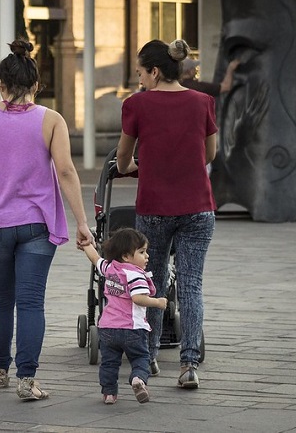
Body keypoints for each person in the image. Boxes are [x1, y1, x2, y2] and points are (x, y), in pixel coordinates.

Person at [0, 39, 94, 401]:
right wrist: (82, 222)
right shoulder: (52, 120)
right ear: (37, 85)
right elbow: (66, 171)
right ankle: (27, 379)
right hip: (37, 225)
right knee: (31, 302)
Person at [116, 39, 217, 390]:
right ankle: (189, 364)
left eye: (142, 72)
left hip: (155, 206)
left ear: (155, 71)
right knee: (191, 284)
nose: (140, 79)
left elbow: (123, 159)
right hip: (198, 206)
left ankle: (151, 355)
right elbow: (209, 154)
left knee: (152, 280)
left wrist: (137, 167)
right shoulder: (203, 101)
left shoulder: (137, 105)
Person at [80, 228, 167, 405]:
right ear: (127, 256)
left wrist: (87, 244)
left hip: (108, 328)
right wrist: (157, 302)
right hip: (132, 329)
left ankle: (109, 394)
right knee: (141, 358)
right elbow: (138, 298)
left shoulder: (110, 268)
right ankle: (138, 379)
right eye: (142, 252)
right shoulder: (136, 275)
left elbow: (95, 259)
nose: (147, 256)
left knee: (109, 363)